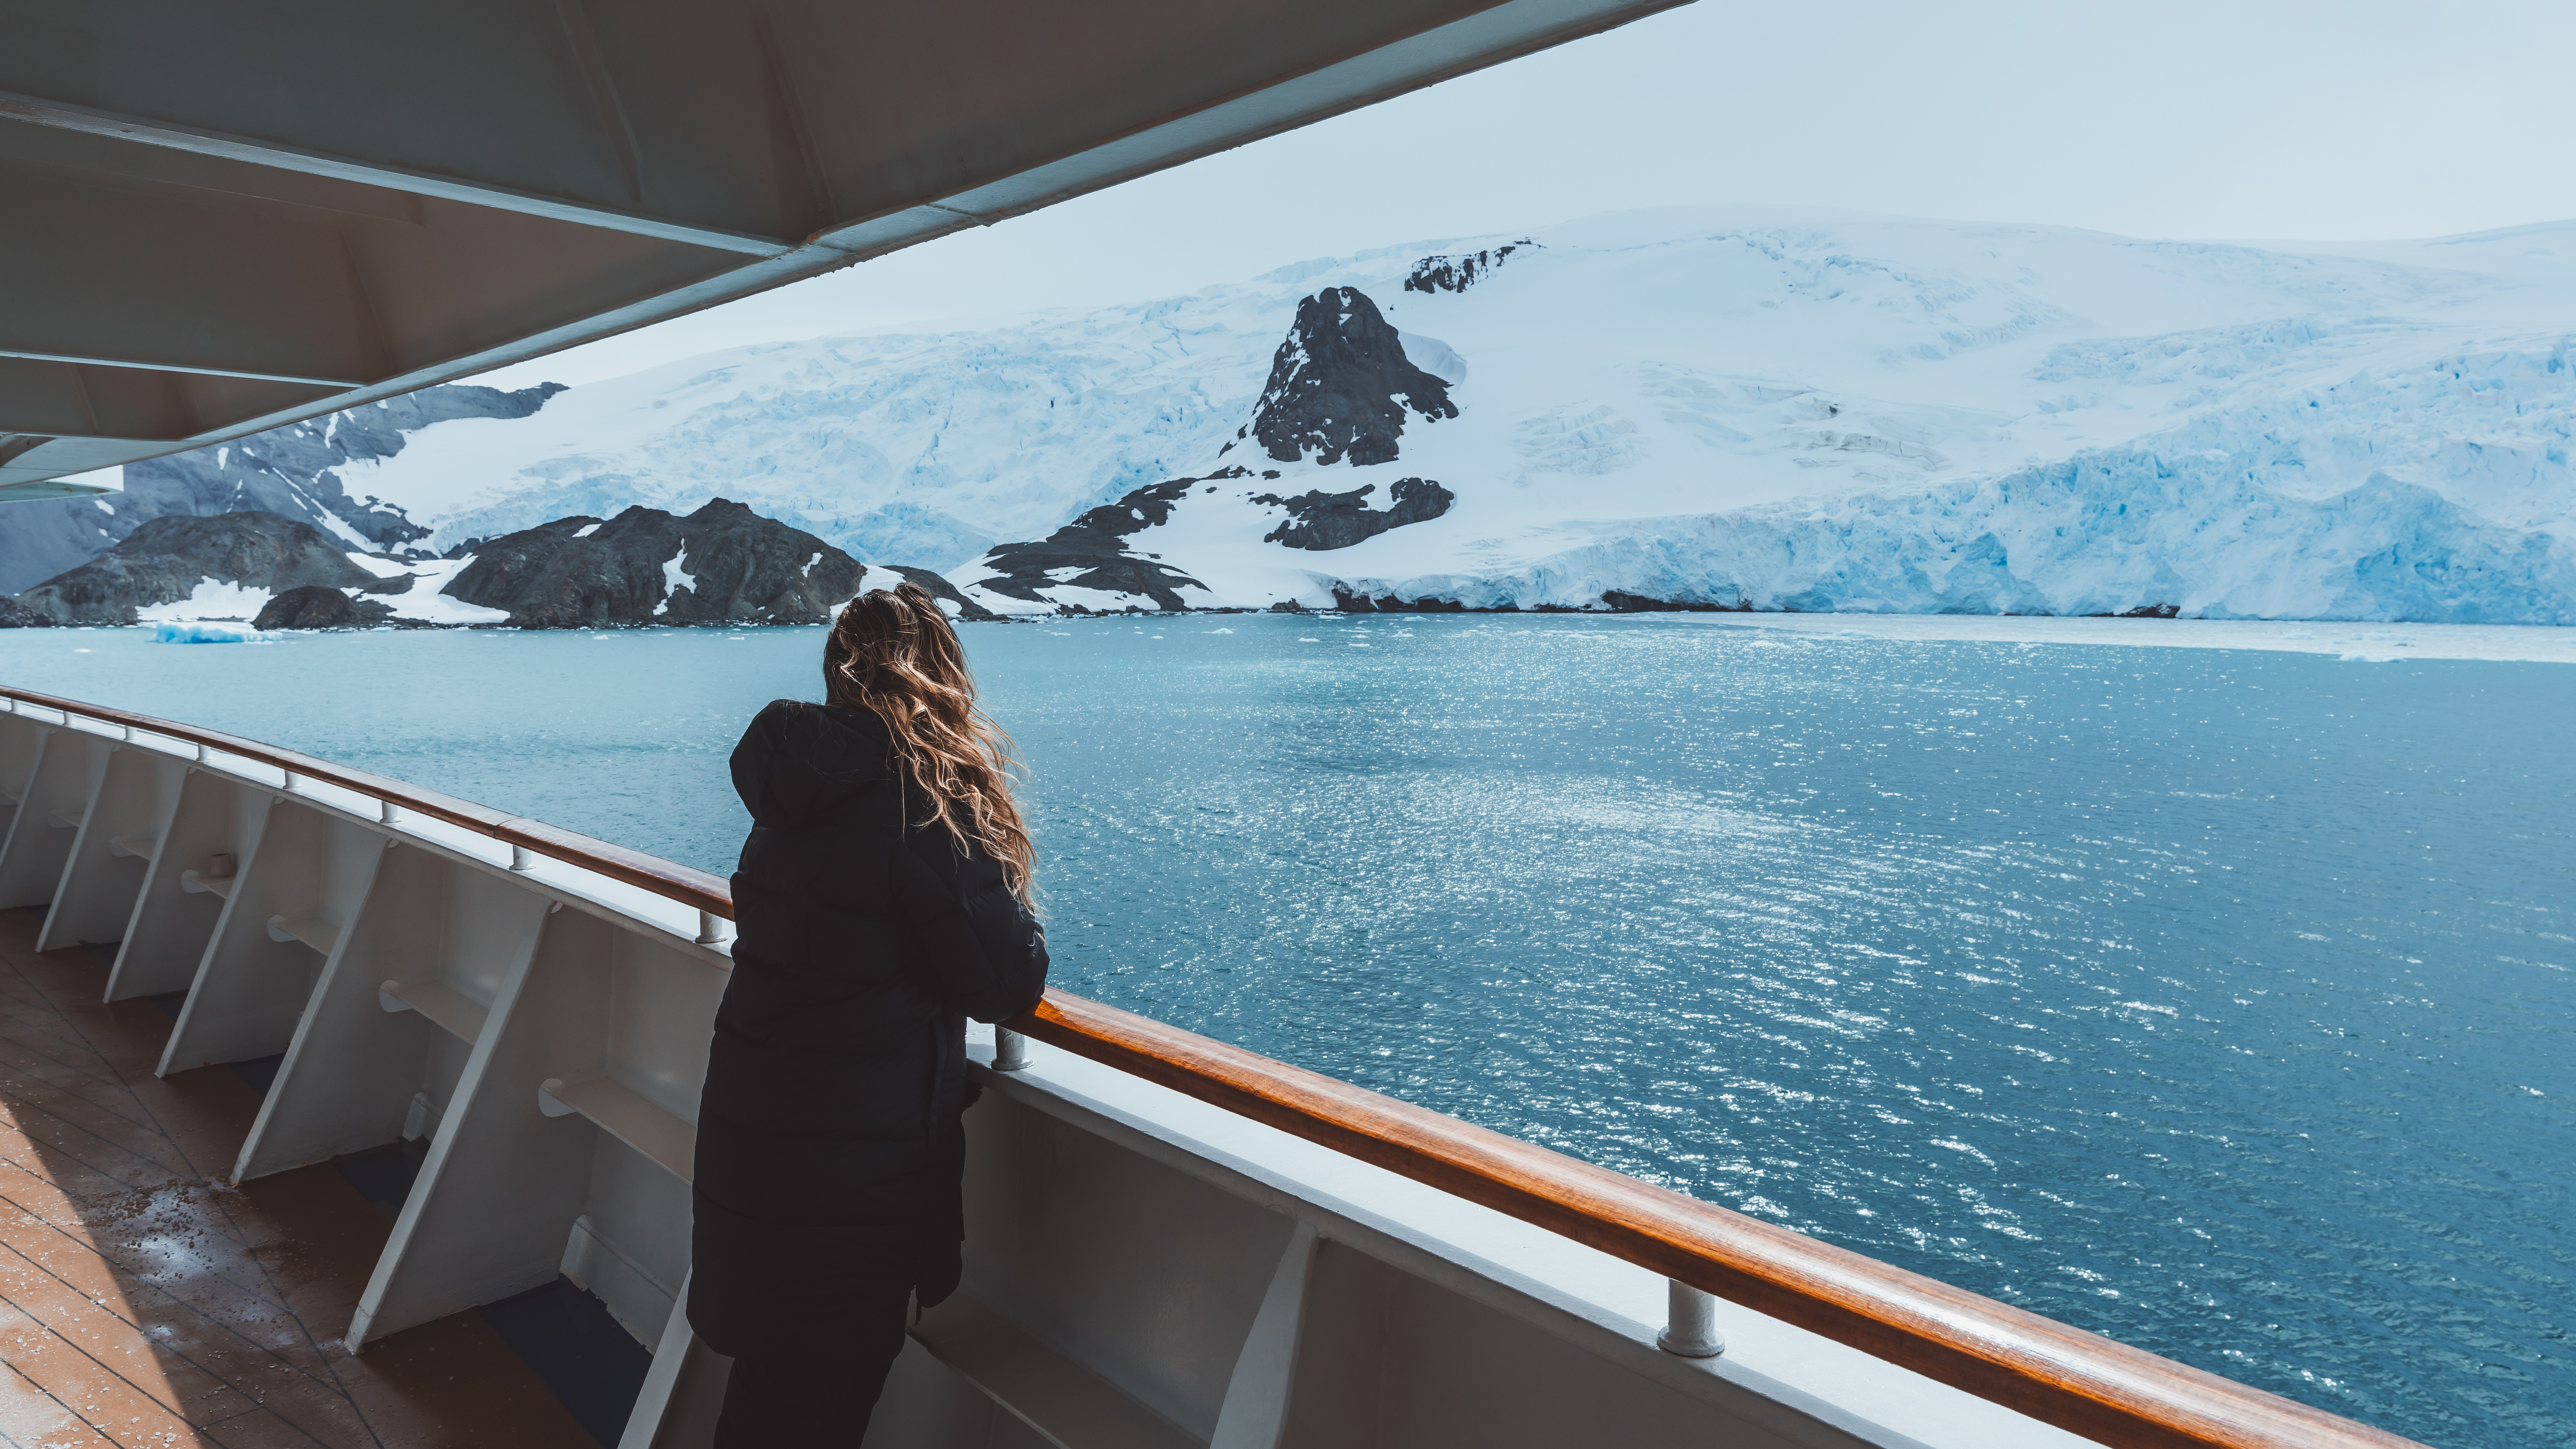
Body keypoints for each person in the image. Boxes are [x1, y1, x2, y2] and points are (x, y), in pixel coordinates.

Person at [688, 582, 1048, 1444]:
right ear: (940, 675)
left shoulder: (800, 790)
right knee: (819, 1394)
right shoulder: (921, 798)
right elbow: (1006, 980)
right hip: (849, 1172)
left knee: (777, 1384)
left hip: (759, 1130)